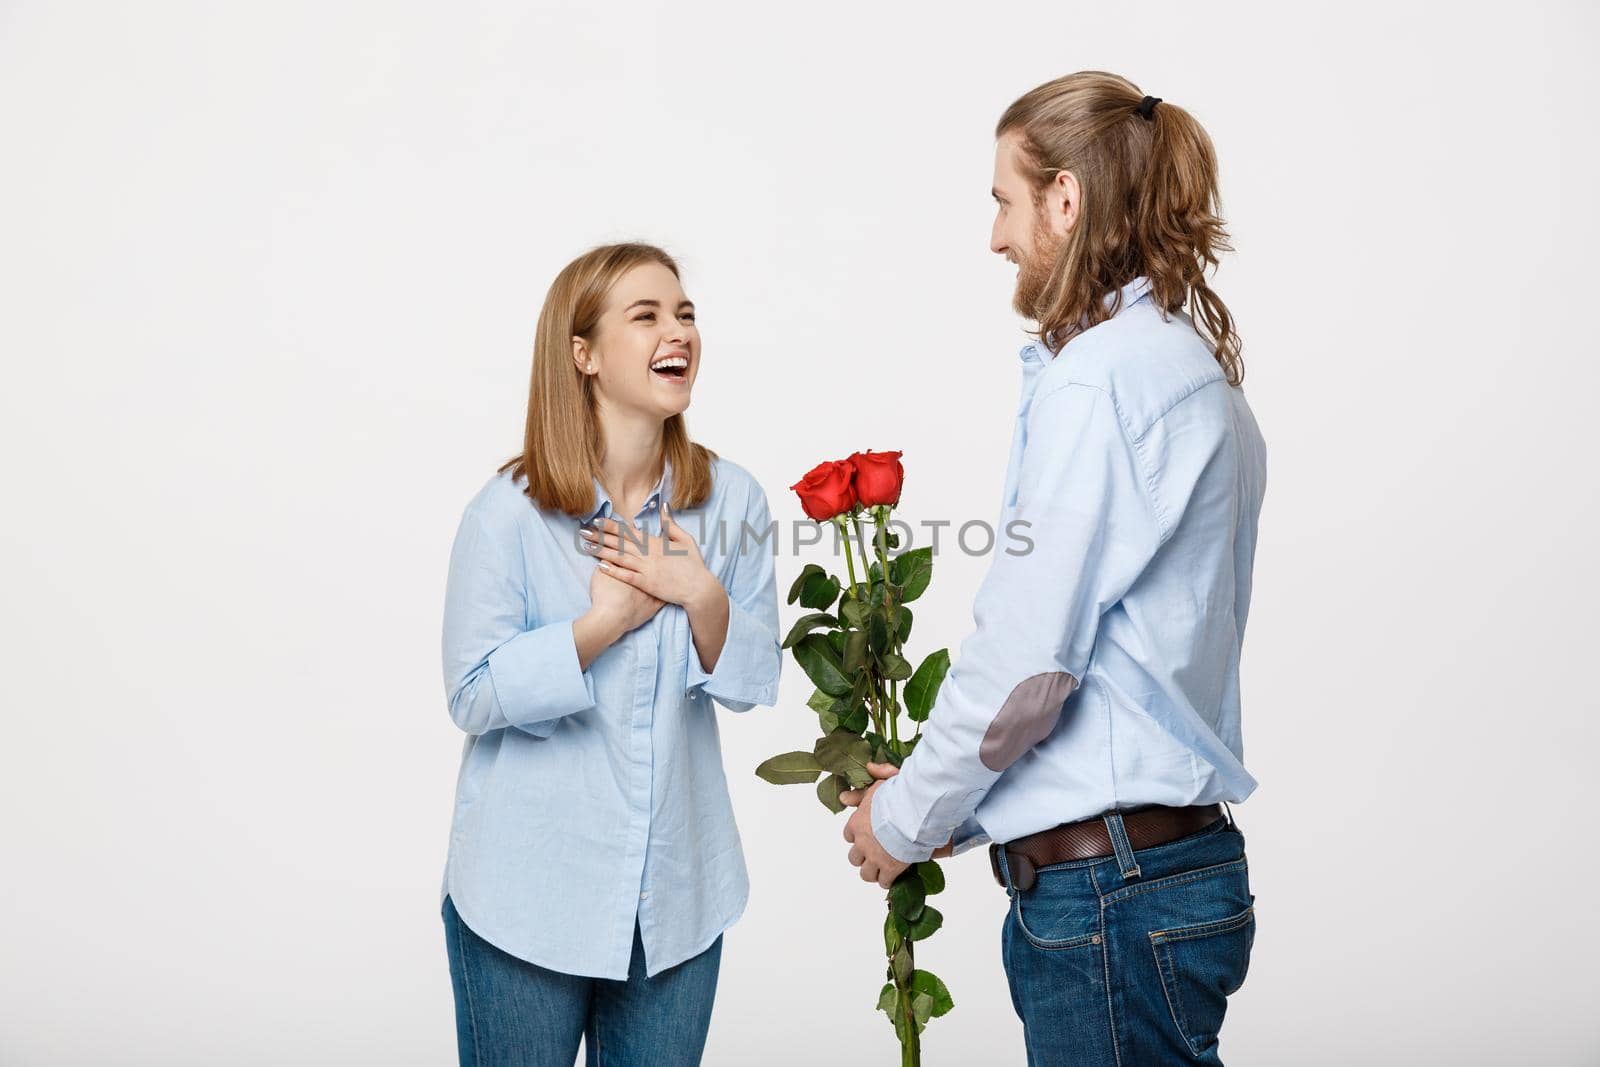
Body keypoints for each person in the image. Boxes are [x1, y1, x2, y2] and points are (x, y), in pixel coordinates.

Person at [840, 72, 1267, 1065]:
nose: (995, 236)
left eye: (1003, 200)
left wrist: (902, 819)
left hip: (1110, 895)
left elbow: (1032, 670)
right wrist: (964, 808)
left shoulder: (1101, 382)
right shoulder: (1191, 372)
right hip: (1166, 867)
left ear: (1065, 200)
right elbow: (1124, 670)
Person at [437, 242, 782, 1066]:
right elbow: (472, 694)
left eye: (686, 313)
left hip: (676, 902)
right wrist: (601, 626)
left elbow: (754, 678)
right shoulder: (505, 514)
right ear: (583, 355)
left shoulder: (732, 500)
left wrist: (700, 594)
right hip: (523, 898)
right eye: (649, 314)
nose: (680, 332)